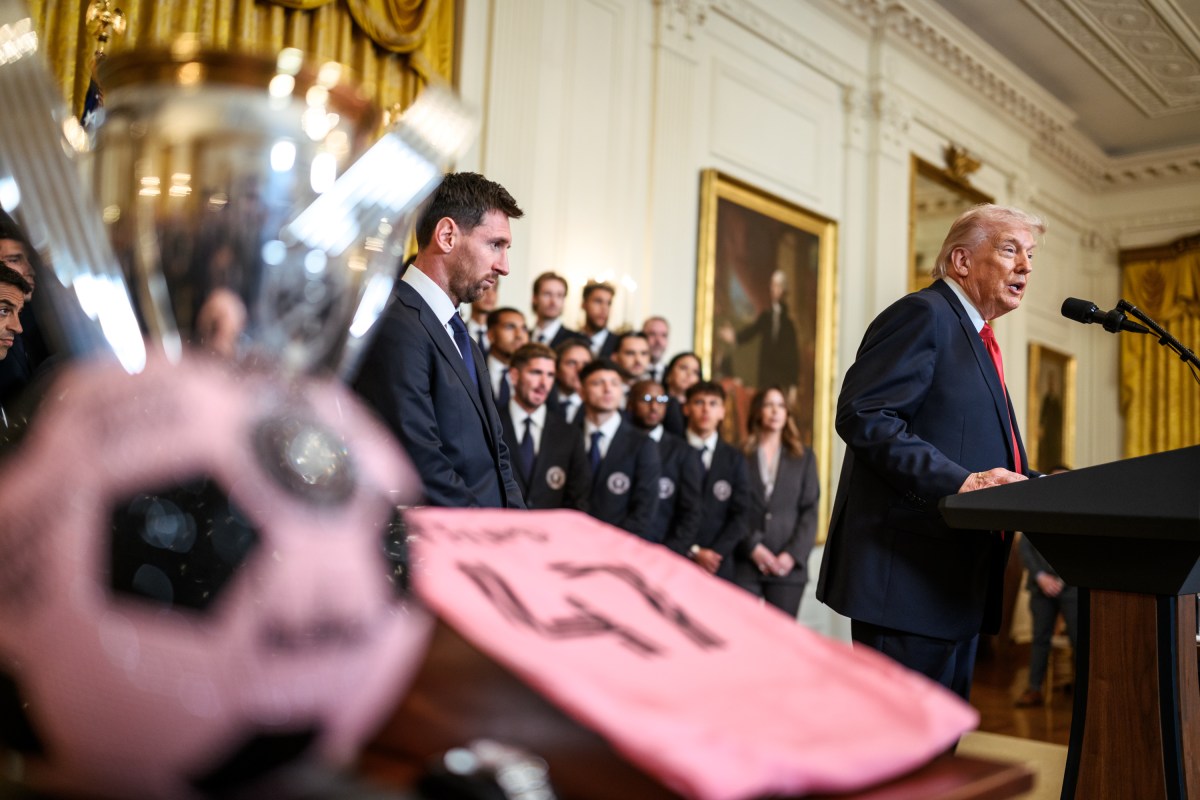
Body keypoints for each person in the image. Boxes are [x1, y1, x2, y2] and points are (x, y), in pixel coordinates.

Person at [816, 203, 1043, 701]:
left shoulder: (978, 339)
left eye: (1029, 254)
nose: (1026, 266)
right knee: (897, 755)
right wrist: (960, 483)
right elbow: (865, 415)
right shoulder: (924, 314)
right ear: (961, 261)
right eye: (1010, 250)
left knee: (938, 759)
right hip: (908, 582)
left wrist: (1046, 487)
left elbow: (981, 446)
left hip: (951, 581)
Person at [354, 172, 526, 509]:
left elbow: (498, 454)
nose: (504, 266)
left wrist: (518, 527)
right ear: (447, 235)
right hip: (450, 544)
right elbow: (422, 463)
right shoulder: (395, 324)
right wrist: (489, 536)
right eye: (495, 245)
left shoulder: (459, 333)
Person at [734, 387, 820, 617]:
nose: (775, 411)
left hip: (788, 568)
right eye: (769, 405)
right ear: (757, 412)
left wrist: (791, 555)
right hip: (745, 563)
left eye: (781, 406)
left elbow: (810, 511)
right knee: (742, 639)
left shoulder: (804, 457)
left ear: (787, 414)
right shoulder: (739, 455)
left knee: (781, 645)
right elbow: (733, 508)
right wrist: (752, 547)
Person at [666, 381, 752, 582]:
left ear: (722, 411)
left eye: (713, 404)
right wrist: (692, 551)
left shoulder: (734, 458)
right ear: (686, 409)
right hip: (675, 558)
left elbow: (741, 515)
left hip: (718, 564)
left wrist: (714, 553)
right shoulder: (668, 453)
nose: (706, 409)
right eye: (699, 402)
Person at [499, 343, 591, 511]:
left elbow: (578, 499)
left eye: (550, 375)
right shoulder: (491, 424)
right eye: (536, 373)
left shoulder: (570, 434)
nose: (544, 383)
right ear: (514, 375)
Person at [1015, 466, 1077, 707]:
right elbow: (1024, 548)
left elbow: (1082, 551)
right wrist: (1040, 576)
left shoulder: (1080, 513)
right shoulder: (1036, 510)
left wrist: (1061, 578)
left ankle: (1083, 691)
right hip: (1040, 587)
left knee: (1078, 639)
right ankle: (1034, 689)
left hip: (1071, 587)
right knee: (1039, 639)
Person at [579, 358, 661, 539]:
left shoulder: (642, 443)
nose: (607, 389)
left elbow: (644, 509)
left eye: (615, 383)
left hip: (620, 547)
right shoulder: (569, 436)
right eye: (598, 383)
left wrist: (612, 544)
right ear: (581, 391)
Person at [628, 377, 702, 546]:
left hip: (664, 549)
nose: (654, 407)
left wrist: (671, 552)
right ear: (630, 404)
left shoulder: (683, 452)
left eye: (661, 400)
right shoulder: (617, 445)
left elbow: (690, 512)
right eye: (646, 399)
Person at [718, 269, 800, 395]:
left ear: (784, 290)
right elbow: (751, 332)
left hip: (782, 376)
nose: (773, 289)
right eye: (772, 285)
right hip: (766, 375)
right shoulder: (766, 317)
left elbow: (793, 355)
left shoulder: (789, 324)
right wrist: (735, 336)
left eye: (778, 286)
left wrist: (793, 385)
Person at [484, 306, 528, 408]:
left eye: (524, 328)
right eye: (510, 327)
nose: (519, 335)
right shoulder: (472, 368)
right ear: (490, 335)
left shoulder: (536, 373)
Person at [530, 271, 587, 348]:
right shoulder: (523, 337)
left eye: (559, 295)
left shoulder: (578, 341)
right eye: (547, 294)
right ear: (535, 298)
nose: (554, 301)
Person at [546, 339, 591, 424]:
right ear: (556, 368)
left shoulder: (596, 406)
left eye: (586, 364)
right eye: (572, 363)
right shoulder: (541, 400)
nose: (580, 370)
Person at [661, 351, 702, 438]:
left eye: (695, 372)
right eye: (683, 368)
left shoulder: (702, 408)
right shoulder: (658, 401)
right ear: (669, 373)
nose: (689, 375)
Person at [580, 280, 617, 358]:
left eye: (609, 303)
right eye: (598, 301)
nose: (604, 308)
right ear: (583, 304)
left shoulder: (618, 344)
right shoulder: (569, 339)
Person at [465, 276, 500, 356]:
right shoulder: (456, 332)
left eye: (495, 289)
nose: (490, 295)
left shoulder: (502, 336)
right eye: (484, 288)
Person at [642, 316, 670, 383]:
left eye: (663, 335)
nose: (658, 341)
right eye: (652, 334)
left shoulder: (671, 374)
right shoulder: (628, 373)